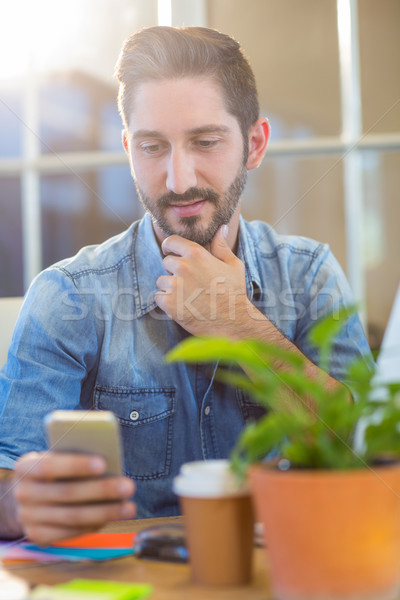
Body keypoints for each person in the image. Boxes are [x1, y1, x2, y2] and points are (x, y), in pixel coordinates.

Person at [0, 26, 372, 544]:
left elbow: (367, 454)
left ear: (255, 143)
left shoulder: (310, 275)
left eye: (205, 141)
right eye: (153, 146)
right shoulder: (67, 295)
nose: (178, 180)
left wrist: (237, 324)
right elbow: (7, 483)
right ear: (129, 149)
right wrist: (22, 504)